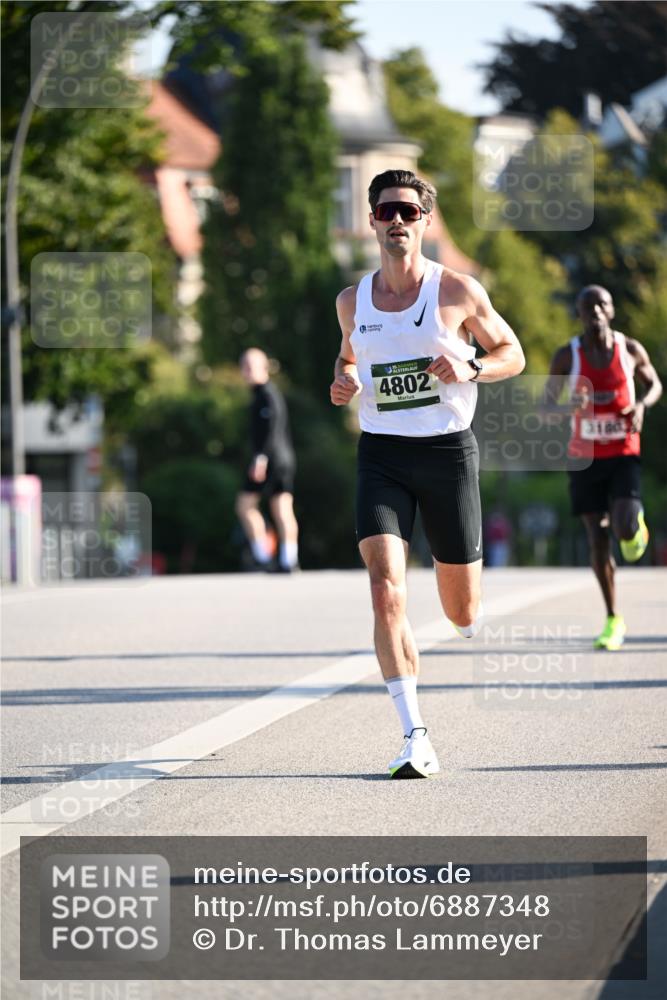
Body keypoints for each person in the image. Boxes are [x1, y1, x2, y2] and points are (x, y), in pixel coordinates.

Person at [330, 169, 525, 779]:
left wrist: (469, 364)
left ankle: (467, 614)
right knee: (385, 585)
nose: (397, 221)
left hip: (447, 453)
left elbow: (511, 354)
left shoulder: (457, 292)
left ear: (424, 221)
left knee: (460, 611)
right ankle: (415, 734)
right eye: (386, 210)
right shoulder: (350, 301)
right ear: (371, 220)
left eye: (408, 212)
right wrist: (342, 379)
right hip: (381, 455)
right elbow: (349, 357)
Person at [546, 285, 662, 650]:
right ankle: (613, 618)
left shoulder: (630, 350)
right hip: (584, 457)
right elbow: (545, 408)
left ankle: (633, 529)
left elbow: (655, 383)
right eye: (587, 306)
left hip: (624, 451)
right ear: (578, 314)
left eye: (602, 304)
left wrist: (642, 405)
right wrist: (570, 407)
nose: (595, 311)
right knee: (597, 537)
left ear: (611, 311)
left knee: (625, 527)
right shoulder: (568, 356)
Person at [236, 348, 299, 573]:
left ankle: (265, 557)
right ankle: (286, 559)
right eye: (245, 366)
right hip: (281, 458)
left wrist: (260, 458)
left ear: (264, 367)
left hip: (272, 460)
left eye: (251, 366)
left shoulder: (265, 395)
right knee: (281, 508)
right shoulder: (265, 394)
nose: (247, 371)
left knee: (247, 506)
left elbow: (270, 430)